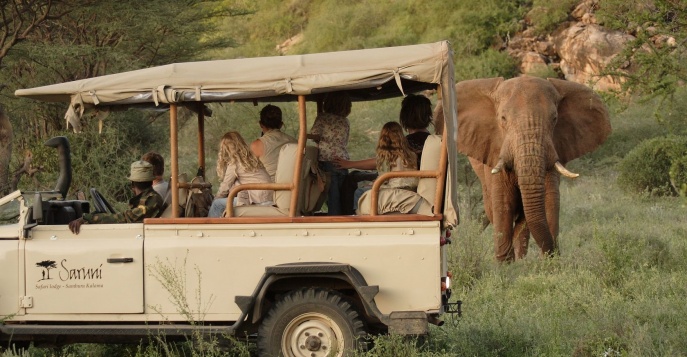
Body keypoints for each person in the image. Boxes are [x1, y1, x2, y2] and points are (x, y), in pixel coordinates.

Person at [336, 93, 433, 213]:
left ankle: (349, 217)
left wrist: (349, 164)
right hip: (409, 179)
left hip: (397, 178)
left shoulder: (406, 143)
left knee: (353, 177)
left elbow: (382, 160)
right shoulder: (431, 141)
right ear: (428, 116)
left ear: (405, 116)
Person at [68, 160, 165, 234]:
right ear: (152, 181)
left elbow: (126, 218)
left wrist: (88, 217)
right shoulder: (147, 198)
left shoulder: (152, 199)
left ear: (132, 184)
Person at [352, 122, 418, 209]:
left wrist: (371, 184)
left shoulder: (387, 155)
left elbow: (383, 179)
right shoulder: (411, 154)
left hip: (393, 189)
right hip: (410, 189)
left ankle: (360, 217)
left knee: (359, 191)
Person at [208, 131, 274, 217]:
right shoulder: (252, 159)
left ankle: (210, 228)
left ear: (226, 149)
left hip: (257, 200)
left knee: (217, 204)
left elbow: (225, 187)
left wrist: (214, 200)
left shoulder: (234, 164)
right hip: (268, 198)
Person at [307, 92, 352, 215]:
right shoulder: (345, 121)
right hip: (343, 161)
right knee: (342, 197)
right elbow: (345, 140)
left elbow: (314, 135)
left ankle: (335, 222)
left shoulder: (323, 118)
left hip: (326, 161)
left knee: (332, 198)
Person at [250, 105, 297, 181]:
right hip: (292, 188)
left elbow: (249, 172)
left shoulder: (257, 145)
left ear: (261, 124)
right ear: (281, 125)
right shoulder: (295, 142)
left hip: (268, 189)